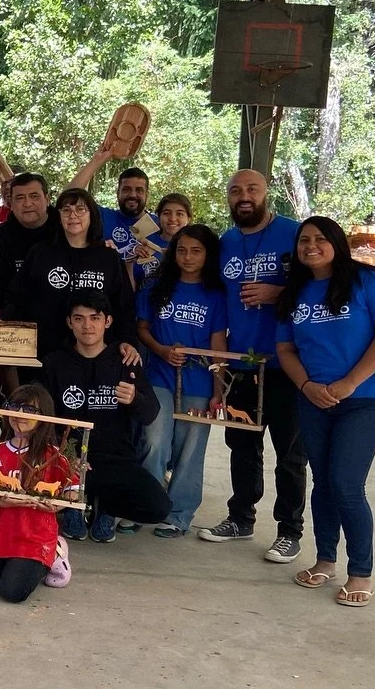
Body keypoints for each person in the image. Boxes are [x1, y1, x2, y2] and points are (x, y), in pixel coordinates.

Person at [276, 216, 375, 608]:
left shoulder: (370, 281)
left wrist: (350, 383)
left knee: (346, 484)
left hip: (366, 399)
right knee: (323, 483)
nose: (310, 246)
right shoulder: (295, 292)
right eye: (303, 240)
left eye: (320, 239)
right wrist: (307, 386)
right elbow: (285, 350)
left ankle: (361, 572)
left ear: (337, 242)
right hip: (314, 400)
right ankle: (325, 560)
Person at [197, 169, 307, 565]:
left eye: (252, 189)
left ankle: (289, 531)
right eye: (236, 190)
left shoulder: (295, 234)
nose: (244, 196)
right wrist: (219, 368)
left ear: (266, 192)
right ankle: (240, 518)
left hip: (286, 365)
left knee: (290, 453)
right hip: (241, 365)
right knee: (242, 446)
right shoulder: (225, 242)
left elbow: (321, 286)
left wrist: (279, 292)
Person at [42, 292, 170, 542]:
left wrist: (135, 399)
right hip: (69, 459)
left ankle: (105, 507)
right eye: (79, 319)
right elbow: (44, 421)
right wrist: (65, 456)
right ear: (69, 322)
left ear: (108, 321)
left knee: (158, 507)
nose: (87, 326)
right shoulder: (54, 363)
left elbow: (150, 414)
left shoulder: (126, 361)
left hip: (115, 459)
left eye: (95, 318)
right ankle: (73, 504)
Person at [136, 224, 228, 537]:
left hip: (199, 382)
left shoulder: (216, 294)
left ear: (208, 255)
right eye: (182, 250)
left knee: (190, 449)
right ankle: (146, 506)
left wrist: (218, 389)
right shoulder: (157, 286)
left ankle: (178, 514)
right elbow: (142, 329)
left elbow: (218, 343)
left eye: (196, 251)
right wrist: (161, 350)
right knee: (154, 441)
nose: (187, 257)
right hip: (159, 377)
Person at [0, 385, 79, 602]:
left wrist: (56, 505)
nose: (19, 414)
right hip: (2, 533)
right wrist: (2, 502)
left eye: (29, 410)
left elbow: (73, 491)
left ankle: (56, 552)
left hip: (36, 537)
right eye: (14, 407)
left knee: (12, 592)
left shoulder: (53, 455)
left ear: (43, 417)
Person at [4, 187, 137, 362]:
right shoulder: (41, 253)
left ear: (92, 215)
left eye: (80, 209)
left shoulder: (108, 256)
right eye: (66, 210)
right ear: (59, 217)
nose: (73, 215)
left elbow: (124, 305)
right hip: (46, 351)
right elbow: (18, 298)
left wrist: (128, 340)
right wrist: (1, 322)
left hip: (97, 355)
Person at [0, 172, 60, 329]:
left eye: (34, 196)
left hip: (63, 322)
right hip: (15, 323)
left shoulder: (64, 229)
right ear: (10, 203)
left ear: (47, 199)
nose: (27, 203)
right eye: (20, 198)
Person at [69, 146, 151, 261]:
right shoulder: (103, 217)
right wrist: (97, 160)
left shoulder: (161, 225)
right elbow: (70, 197)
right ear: (118, 192)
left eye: (139, 190)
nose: (133, 195)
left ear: (147, 194)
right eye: (126, 189)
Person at [130, 192, 192, 287]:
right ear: (159, 217)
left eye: (179, 214)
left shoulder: (195, 248)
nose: (172, 218)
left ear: (188, 218)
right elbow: (131, 282)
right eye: (166, 213)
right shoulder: (144, 242)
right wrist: (131, 259)